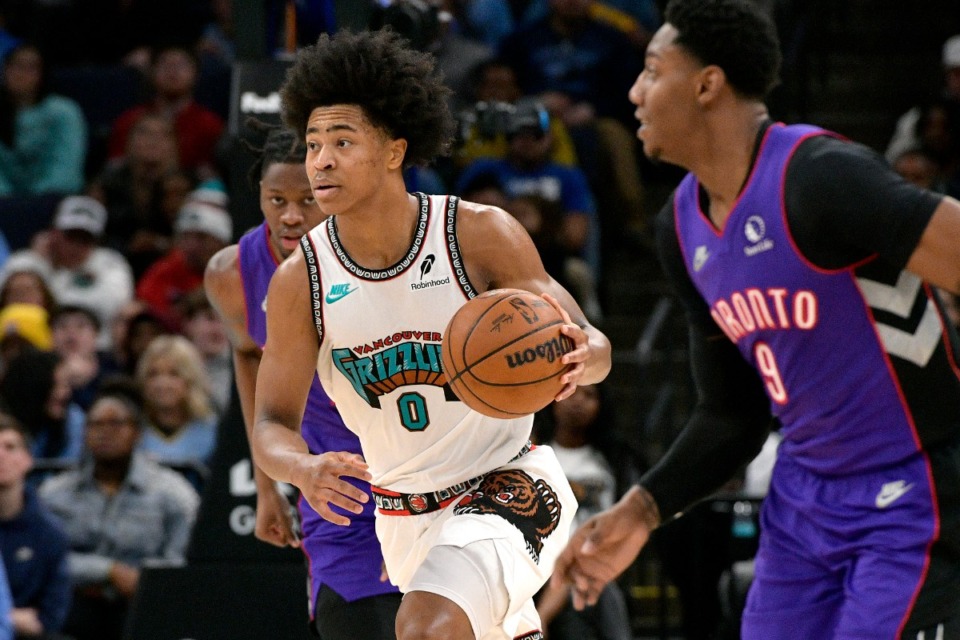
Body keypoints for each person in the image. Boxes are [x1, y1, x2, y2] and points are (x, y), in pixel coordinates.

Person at [551, 2, 960, 639]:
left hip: (912, 490)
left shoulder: (819, 177)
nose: (634, 92)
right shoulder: (681, 228)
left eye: (652, 71)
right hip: (803, 499)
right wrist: (640, 509)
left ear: (707, 84)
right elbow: (731, 414)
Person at [253, 28, 610, 640]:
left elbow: (589, 346)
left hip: (510, 484)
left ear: (394, 151)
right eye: (314, 144)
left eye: (342, 141)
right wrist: (302, 470)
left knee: (424, 627)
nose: (322, 161)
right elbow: (270, 425)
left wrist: (583, 355)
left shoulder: (476, 234)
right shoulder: (299, 282)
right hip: (402, 514)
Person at [204, 121, 402, 638]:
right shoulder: (232, 273)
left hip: (418, 468)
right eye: (275, 200)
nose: (290, 217)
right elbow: (248, 360)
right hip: (333, 476)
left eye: (307, 200)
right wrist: (268, 486)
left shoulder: (387, 251)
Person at [38, 379, 199, 640]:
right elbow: (46, 559)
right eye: (96, 424)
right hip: (74, 603)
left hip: (145, 605)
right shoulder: (55, 494)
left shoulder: (172, 493)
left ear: (137, 433)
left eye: (115, 424)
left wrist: (141, 579)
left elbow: (181, 563)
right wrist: (109, 571)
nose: (105, 432)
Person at [531, 384, 639, 640]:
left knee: (590, 596)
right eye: (571, 392)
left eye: (589, 395)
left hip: (594, 567)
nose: (578, 401)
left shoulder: (616, 459)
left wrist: (544, 613)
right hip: (537, 570)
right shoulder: (534, 455)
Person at [11, 196, 135, 350]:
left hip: (101, 350)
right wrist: (47, 266)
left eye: (85, 239)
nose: (76, 246)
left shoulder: (111, 263)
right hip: (37, 350)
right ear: (53, 233)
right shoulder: (26, 261)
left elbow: (113, 306)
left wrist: (61, 277)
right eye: (71, 236)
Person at [0, 413, 72, 639]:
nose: (0, 455)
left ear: (28, 459)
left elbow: (50, 619)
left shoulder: (51, 534)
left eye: (9, 447)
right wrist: (15, 617)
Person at [0, 43, 87, 198]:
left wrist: (37, 201)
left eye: (30, 67)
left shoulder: (64, 112)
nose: (21, 74)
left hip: (52, 201)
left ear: (43, 73)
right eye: (15, 66)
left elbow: (66, 166)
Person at [135, 193, 232, 332]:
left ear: (221, 243)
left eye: (201, 238)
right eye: (186, 237)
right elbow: (146, 308)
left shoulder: (238, 270)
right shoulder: (167, 269)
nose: (191, 246)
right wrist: (188, 305)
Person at [133, 335, 218, 485]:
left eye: (174, 374)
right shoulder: (132, 431)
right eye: (153, 374)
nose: (162, 383)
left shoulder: (214, 431)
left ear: (191, 379)